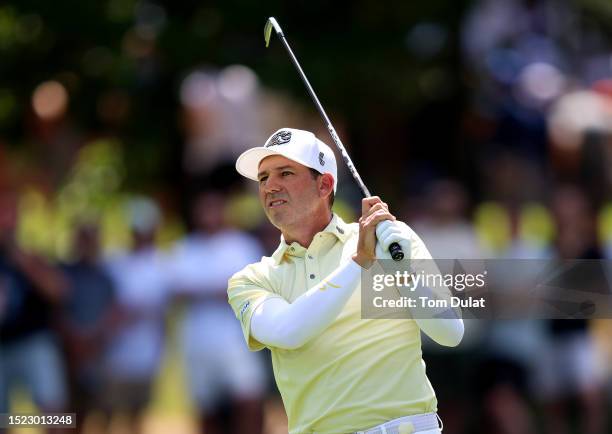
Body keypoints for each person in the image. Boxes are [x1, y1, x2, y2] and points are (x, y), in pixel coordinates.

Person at [228, 128, 464, 434]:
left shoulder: (390, 239)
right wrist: (360, 263)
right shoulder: (252, 279)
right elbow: (288, 332)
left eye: (285, 173)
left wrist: (403, 270)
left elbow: (450, 332)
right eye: (263, 178)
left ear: (324, 184)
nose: (270, 187)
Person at [170, 189, 267, 434]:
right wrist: (220, 290)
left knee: (248, 399)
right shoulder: (185, 248)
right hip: (198, 341)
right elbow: (176, 290)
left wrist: (205, 290)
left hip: (237, 339)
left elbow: (251, 290)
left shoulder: (241, 244)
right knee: (207, 408)